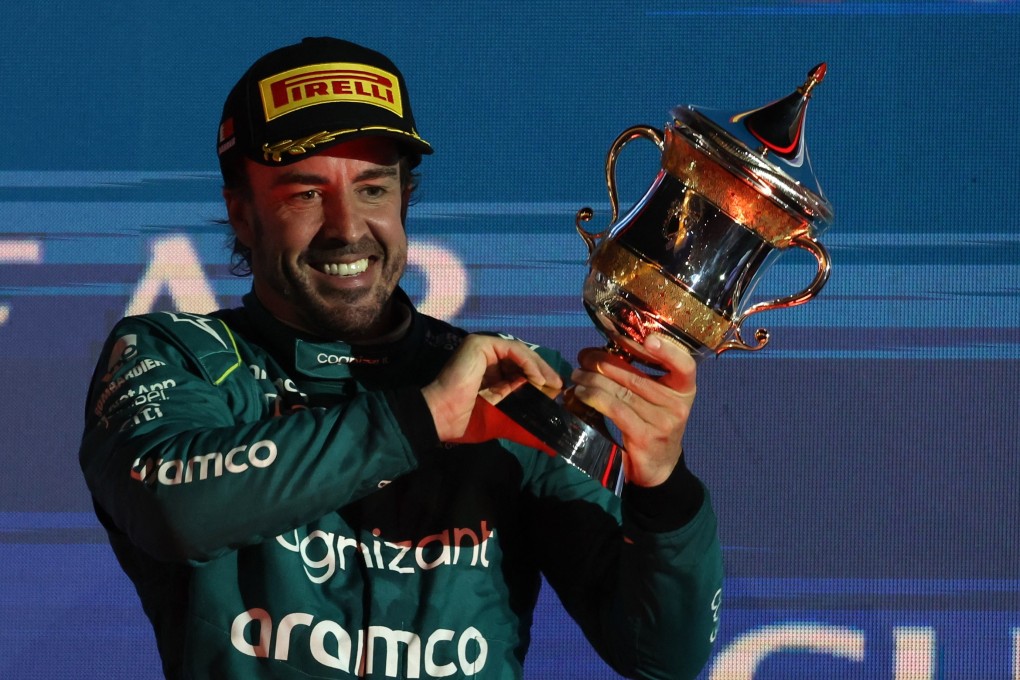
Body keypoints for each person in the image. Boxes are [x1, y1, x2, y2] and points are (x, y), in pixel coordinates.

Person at [79, 37, 723, 680]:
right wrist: (422, 419)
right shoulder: (178, 356)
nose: (347, 228)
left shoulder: (511, 387)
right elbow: (170, 512)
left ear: (405, 197)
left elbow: (660, 657)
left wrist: (663, 489)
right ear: (242, 215)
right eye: (305, 194)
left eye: (372, 189)